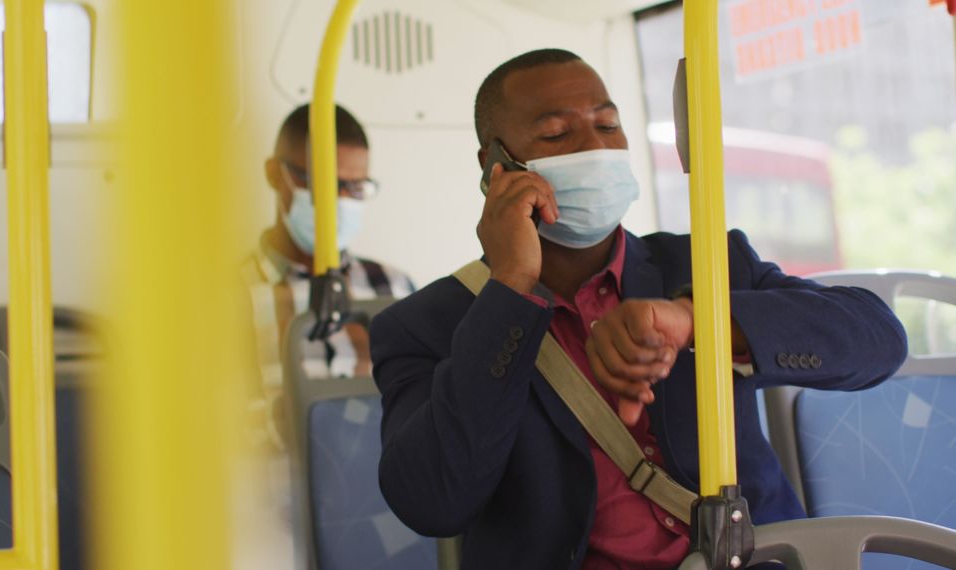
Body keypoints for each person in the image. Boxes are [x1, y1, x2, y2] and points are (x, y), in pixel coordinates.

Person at [370, 49, 907, 569]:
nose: (594, 148)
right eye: (557, 133)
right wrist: (510, 288)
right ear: (496, 166)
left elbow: (878, 339)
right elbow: (431, 501)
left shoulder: (704, 265)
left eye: (608, 127)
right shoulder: (423, 325)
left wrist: (699, 320)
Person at [241, 103, 414, 447]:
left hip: (375, 496)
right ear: (276, 174)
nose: (339, 202)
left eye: (354, 188)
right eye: (322, 184)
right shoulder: (227, 296)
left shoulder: (393, 288)